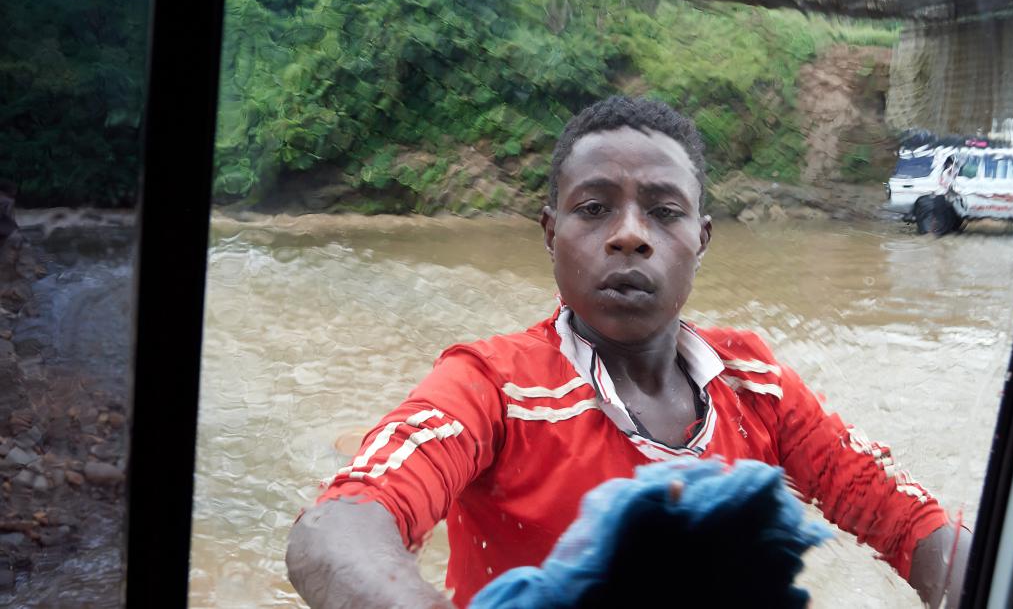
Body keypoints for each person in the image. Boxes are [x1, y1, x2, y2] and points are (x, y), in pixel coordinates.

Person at [287, 97, 971, 609]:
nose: (630, 236)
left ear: (700, 238)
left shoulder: (757, 383)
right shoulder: (494, 385)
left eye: (664, 211)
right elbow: (337, 527)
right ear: (550, 232)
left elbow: (910, 522)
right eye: (593, 209)